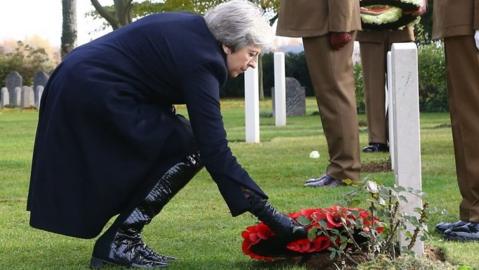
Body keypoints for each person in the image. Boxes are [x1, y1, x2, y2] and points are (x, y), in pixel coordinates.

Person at [26, 1, 306, 268]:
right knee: (189, 145)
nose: (253, 64)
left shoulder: (195, 32)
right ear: (227, 44)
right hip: (92, 90)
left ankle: (121, 241)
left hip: (79, 80)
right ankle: (121, 242)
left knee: (180, 138)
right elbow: (214, 148)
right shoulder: (204, 61)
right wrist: (273, 218)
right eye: (251, 54)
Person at [276, 0, 362, 187]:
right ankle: (341, 168)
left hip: (328, 22)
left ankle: (345, 171)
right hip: (323, 21)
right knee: (330, 96)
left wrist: (341, 24)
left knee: (335, 95)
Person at [433, 0, 479, 241]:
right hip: (458, 21)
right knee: (464, 120)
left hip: (470, 20)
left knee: (473, 119)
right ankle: (472, 210)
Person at [357, 26, 415, 153]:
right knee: (373, 87)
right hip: (369, 28)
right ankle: (377, 139)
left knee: (402, 87)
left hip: (402, 25)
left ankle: (398, 134)